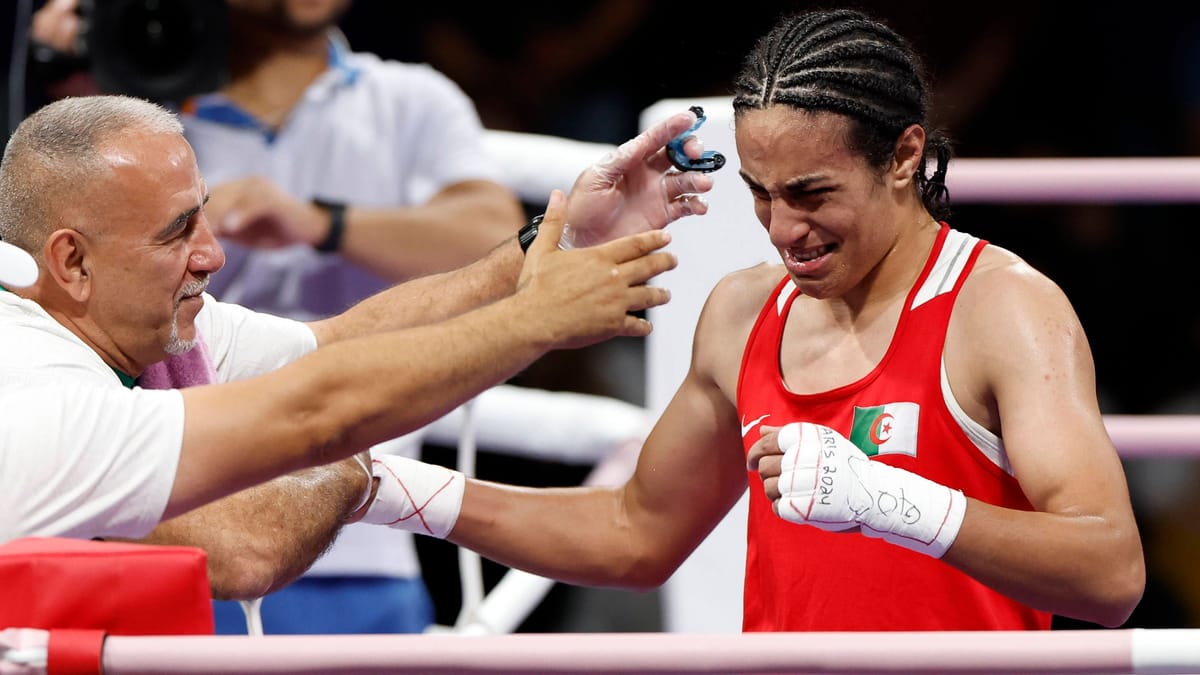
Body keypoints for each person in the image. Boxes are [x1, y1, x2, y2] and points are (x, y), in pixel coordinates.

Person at [418, 8, 1145, 631]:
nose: (782, 228)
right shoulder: (744, 312)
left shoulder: (1002, 308)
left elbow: (1110, 570)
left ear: (904, 156)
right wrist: (403, 494)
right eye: (761, 193)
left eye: (810, 193)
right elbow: (635, 532)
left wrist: (891, 502)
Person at [0, 94, 714, 551]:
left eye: (205, 216)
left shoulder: (143, 329)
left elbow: (344, 343)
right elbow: (246, 537)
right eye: (177, 232)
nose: (213, 253)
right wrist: (533, 321)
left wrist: (548, 249)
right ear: (73, 262)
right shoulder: (35, 394)